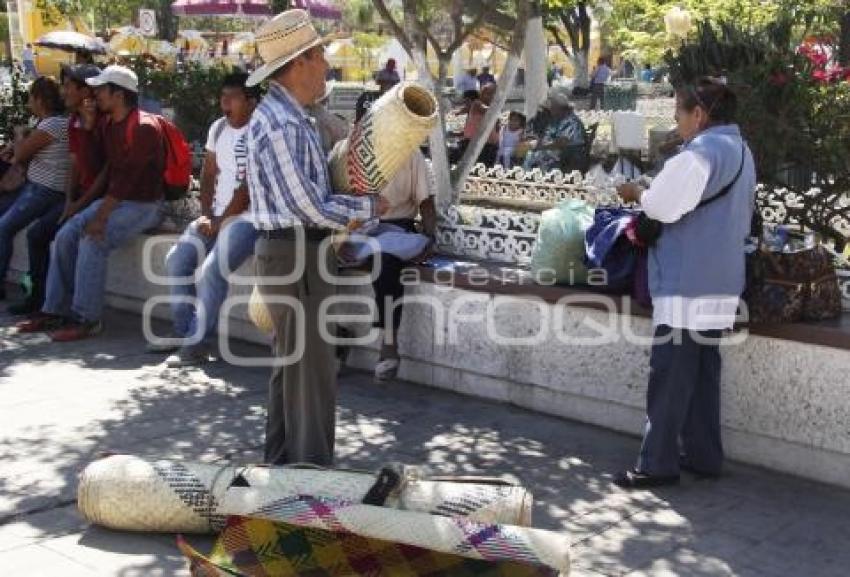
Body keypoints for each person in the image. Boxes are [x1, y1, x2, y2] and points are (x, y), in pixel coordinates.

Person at [244, 9, 388, 466]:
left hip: (295, 252)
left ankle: (282, 473)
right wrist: (367, 208)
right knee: (311, 377)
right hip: (296, 253)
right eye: (321, 53)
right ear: (300, 61)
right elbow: (307, 206)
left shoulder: (292, 118)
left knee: (294, 372)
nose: (327, 62)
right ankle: (310, 487)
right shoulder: (285, 123)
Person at [613, 78, 756, 489]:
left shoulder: (699, 154)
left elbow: (661, 206)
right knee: (704, 374)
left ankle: (656, 464)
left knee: (671, 376)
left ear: (699, 114)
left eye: (678, 112)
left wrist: (634, 193)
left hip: (686, 283)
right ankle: (704, 455)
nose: (676, 121)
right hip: (722, 280)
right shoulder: (742, 150)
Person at [17, 65, 164, 341]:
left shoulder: (145, 127)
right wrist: (86, 128)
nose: (95, 94)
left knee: (92, 241)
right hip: (116, 200)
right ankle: (54, 310)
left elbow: (126, 181)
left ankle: (87, 319)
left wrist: (99, 217)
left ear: (118, 94)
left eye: (101, 89)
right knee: (64, 236)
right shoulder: (108, 124)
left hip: (143, 205)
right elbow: (102, 169)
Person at [153, 72, 260, 367]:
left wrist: (222, 220)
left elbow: (248, 188)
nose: (224, 103)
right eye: (222, 96)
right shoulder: (219, 128)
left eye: (233, 97)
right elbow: (209, 173)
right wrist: (206, 214)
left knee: (213, 270)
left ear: (251, 102)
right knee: (177, 259)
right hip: (215, 215)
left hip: (248, 219)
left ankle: (196, 344)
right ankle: (186, 331)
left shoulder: (259, 131)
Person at [7, 65, 104, 316]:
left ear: (85, 91)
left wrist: (77, 204)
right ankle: (44, 302)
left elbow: (105, 171)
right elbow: (74, 164)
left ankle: (65, 309)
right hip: (70, 196)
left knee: (46, 236)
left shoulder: (88, 123)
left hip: (91, 198)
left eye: (69, 87)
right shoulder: (71, 122)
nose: (64, 92)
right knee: (39, 234)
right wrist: (71, 201)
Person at [366, 150, 436, 381]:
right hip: (357, 227)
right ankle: (335, 339)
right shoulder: (351, 149)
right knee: (321, 257)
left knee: (384, 263)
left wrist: (430, 237)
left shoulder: (410, 154)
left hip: (397, 230)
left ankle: (389, 345)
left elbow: (425, 200)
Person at [0, 77, 70, 304]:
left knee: (3, 228)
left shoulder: (52, 124)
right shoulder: (54, 123)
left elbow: (21, 155)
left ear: (40, 99)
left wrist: (20, 135)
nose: (29, 102)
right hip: (41, 187)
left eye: (31, 97)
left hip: (43, 190)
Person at [523, 91, 586, 172]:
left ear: (559, 108)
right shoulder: (557, 119)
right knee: (531, 153)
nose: (550, 110)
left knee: (538, 155)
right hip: (559, 150)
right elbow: (548, 136)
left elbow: (562, 142)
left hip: (571, 152)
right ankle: (528, 176)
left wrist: (543, 146)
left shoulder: (570, 120)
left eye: (552, 108)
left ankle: (537, 177)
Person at [451, 83, 500, 166]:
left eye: (494, 94)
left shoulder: (493, 108)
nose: (491, 96)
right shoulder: (477, 104)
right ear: (481, 94)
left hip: (489, 146)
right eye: (488, 94)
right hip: (475, 144)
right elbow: (487, 110)